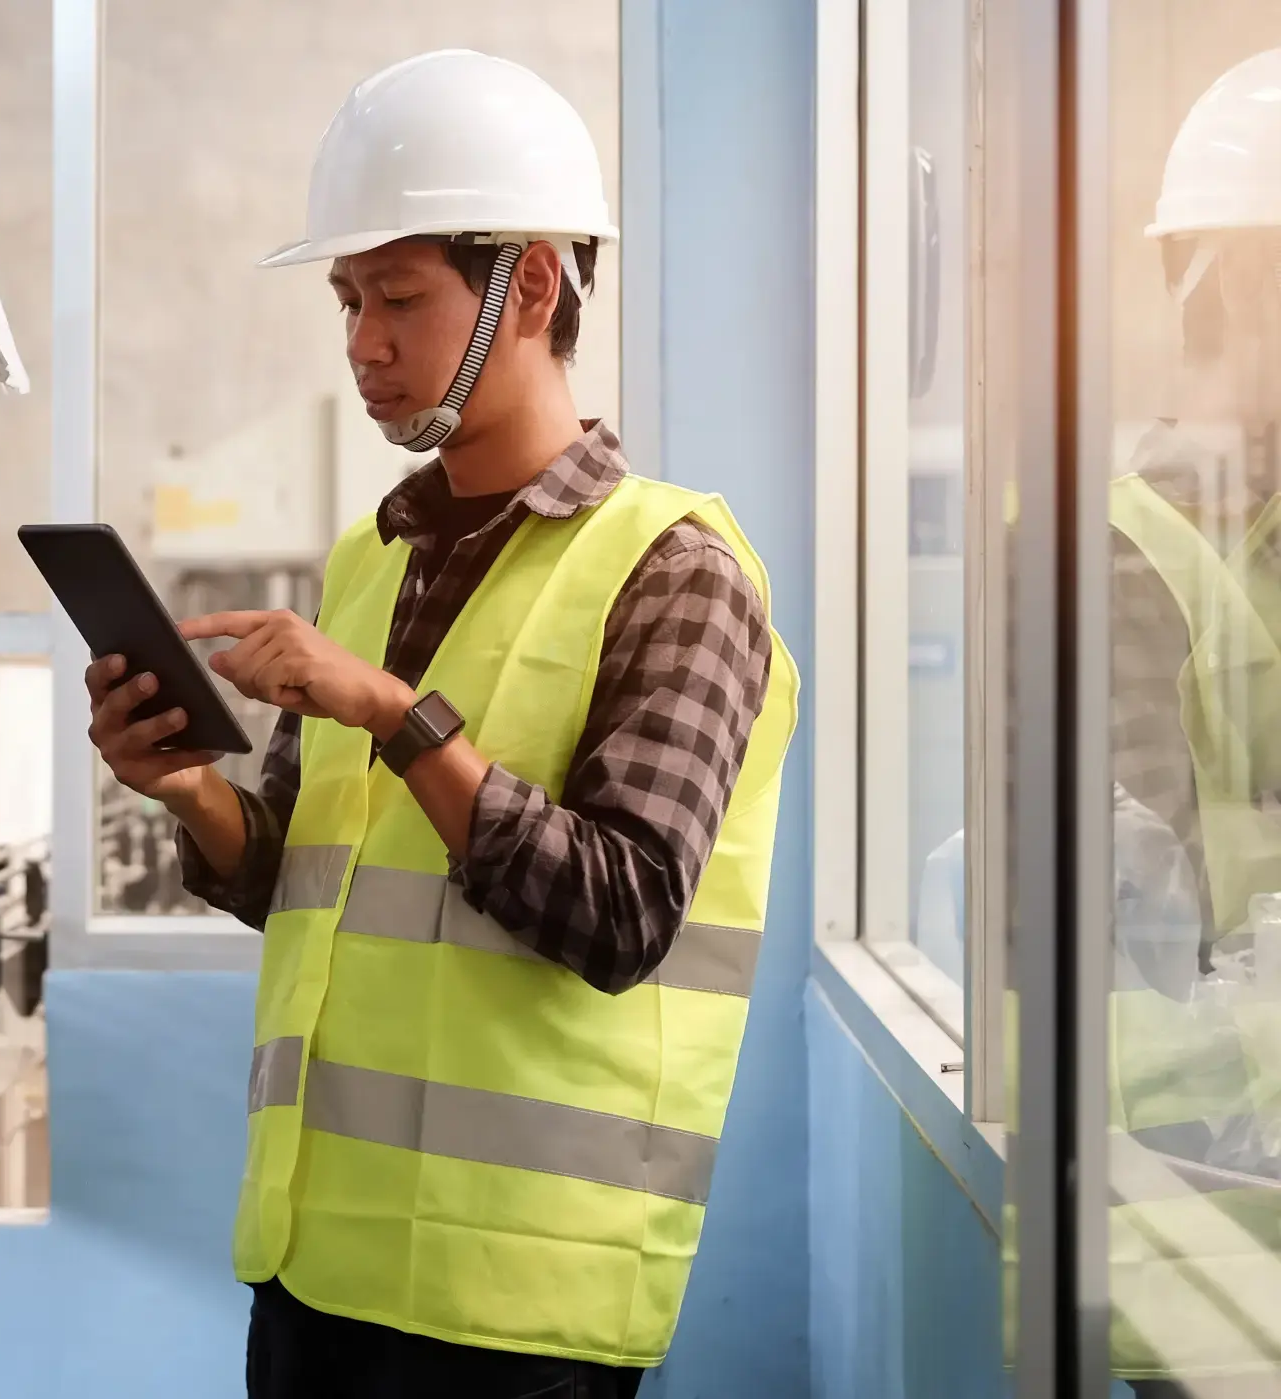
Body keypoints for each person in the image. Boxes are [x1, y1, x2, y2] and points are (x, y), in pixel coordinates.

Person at [84, 51, 798, 1397]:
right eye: (348, 299)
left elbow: (625, 907)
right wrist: (183, 785)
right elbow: (294, 871)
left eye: (399, 297)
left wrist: (397, 713)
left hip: (519, 1315)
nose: (360, 340)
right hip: (312, 1276)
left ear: (532, 285)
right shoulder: (373, 560)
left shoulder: (678, 571)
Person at [1099, 44, 1281, 1395]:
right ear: (1239, 286)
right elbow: (1156, 924)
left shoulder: (1261, 538)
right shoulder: (1122, 558)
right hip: (1195, 1205)